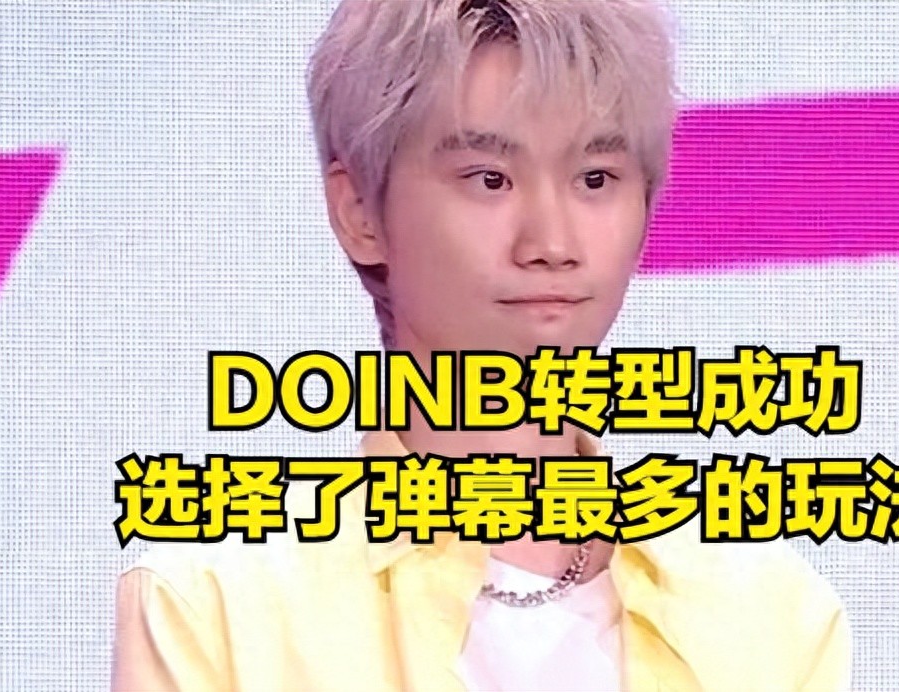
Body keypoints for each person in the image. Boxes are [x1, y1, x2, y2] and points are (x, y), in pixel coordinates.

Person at [111, 1, 852, 690]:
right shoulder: (217, 605)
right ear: (360, 211)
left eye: (596, 178)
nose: (552, 242)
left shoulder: (771, 615)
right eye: (490, 179)